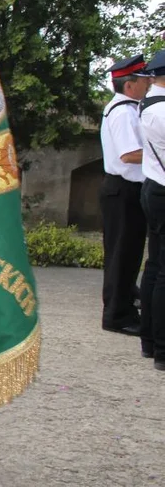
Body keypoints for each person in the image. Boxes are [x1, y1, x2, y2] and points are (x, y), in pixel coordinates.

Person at [100, 55, 151, 335]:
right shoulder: (123, 113)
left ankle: (124, 304)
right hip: (123, 189)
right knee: (123, 254)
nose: (148, 84)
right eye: (143, 80)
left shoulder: (128, 108)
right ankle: (117, 315)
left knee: (125, 253)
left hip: (124, 189)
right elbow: (129, 154)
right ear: (130, 85)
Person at [139, 49, 165, 371]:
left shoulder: (150, 104)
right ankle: (162, 348)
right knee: (163, 271)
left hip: (153, 186)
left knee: (156, 264)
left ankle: (149, 340)